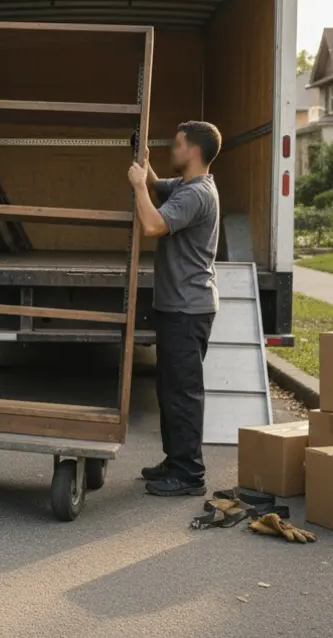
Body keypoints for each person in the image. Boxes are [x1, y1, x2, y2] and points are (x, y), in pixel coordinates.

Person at [127, 120, 222, 497]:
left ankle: (189, 474)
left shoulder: (196, 194)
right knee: (169, 389)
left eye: (177, 144)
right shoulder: (185, 186)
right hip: (178, 307)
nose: (173, 149)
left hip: (188, 310)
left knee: (183, 392)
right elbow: (154, 185)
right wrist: (143, 160)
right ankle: (175, 460)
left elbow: (152, 224)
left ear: (194, 152)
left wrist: (136, 185)